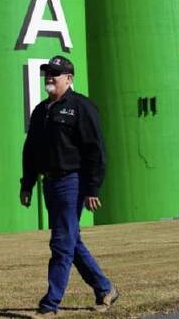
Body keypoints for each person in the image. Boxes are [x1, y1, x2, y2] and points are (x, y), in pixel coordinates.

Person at [20, 55, 119, 315]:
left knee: (61, 243)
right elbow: (30, 151)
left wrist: (92, 188)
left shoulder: (82, 107)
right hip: (49, 183)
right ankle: (105, 288)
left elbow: (96, 150)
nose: (49, 77)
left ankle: (50, 303)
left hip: (72, 182)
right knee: (71, 241)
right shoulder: (41, 110)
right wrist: (27, 184)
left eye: (55, 73)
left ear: (69, 78)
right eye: (47, 73)